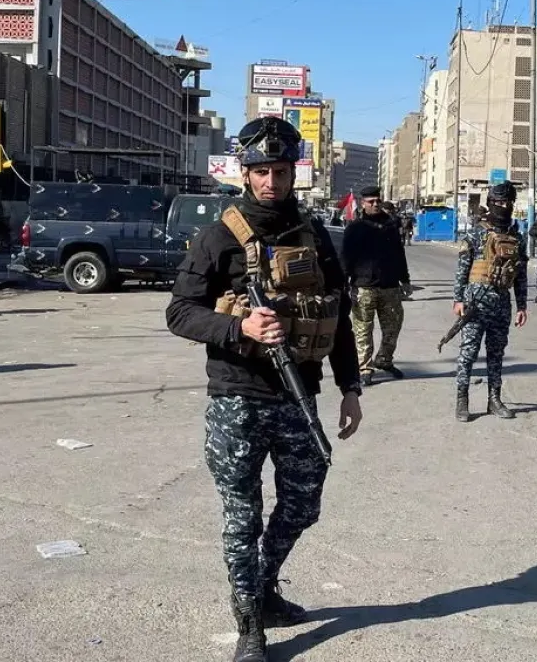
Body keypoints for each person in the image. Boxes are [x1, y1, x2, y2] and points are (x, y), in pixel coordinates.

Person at [165, 116, 363, 662]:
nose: (271, 181)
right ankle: (250, 620)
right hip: (237, 397)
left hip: (300, 393)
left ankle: (264, 582)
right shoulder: (218, 236)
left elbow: (337, 314)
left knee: (302, 504)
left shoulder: (314, 233)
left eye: (280, 171)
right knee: (242, 514)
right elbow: (180, 312)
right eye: (261, 171)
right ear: (245, 173)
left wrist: (350, 386)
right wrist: (239, 328)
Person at [451, 180, 528, 422]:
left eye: (507, 202)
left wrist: (522, 306)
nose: (503, 206)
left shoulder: (516, 238)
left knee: (496, 354)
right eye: (498, 202)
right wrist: (458, 299)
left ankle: (494, 399)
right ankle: (462, 401)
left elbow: (520, 276)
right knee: (468, 353)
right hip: (475, 302)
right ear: (490, 203)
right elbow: (462, 269)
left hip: (501, 305)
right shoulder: (475, 233)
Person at [342, 186, 411, 384]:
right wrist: (343, 283)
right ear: (363, 203)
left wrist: (405, 279)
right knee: (363, 329)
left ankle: (384, 360)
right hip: (364, 286)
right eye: (371, 201)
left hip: (390, 286)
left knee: (393, 327)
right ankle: (365, 368)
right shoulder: (355, 228)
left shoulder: (390, 225)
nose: (375, 204)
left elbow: (399, 254)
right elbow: (345, 258)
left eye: (377, 201)